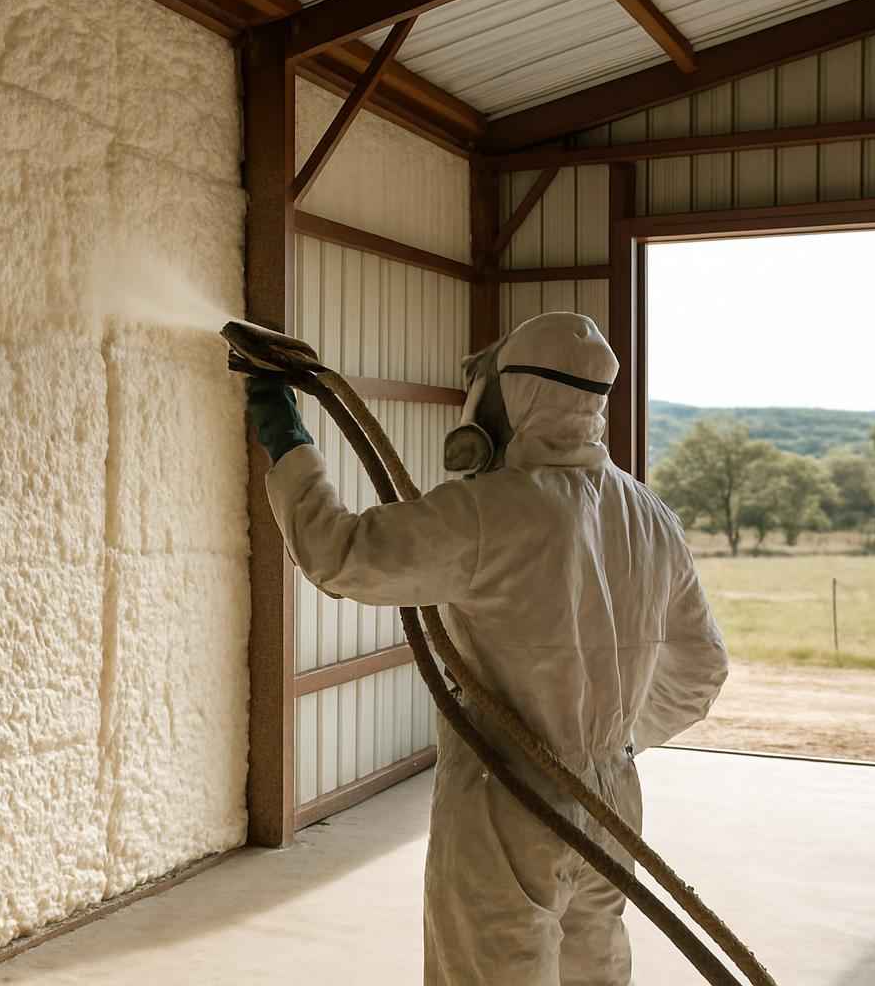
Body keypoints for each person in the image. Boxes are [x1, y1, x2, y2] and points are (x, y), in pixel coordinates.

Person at [244, 312, 728, 986]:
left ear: (513, 398)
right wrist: (606, 749)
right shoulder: (649, 514)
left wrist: (285, 434)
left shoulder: (490, 511)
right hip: (613, 800)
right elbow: (703, 669)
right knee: (596, 970)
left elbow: (338, 553)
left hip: (509, 800)